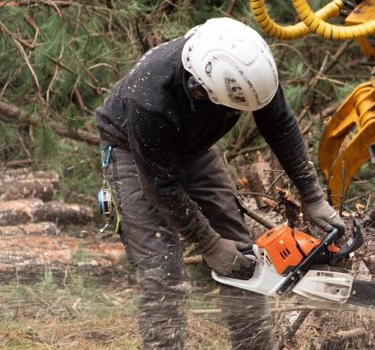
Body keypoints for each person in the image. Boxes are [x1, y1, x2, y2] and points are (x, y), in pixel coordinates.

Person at [93, 17, 344, 349]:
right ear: (200, 88)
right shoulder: (150, 96)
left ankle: (253, 345)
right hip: (131, 149)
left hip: (194, 147)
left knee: (243, 257)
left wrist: (312, 196)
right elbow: (160, 186)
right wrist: (209, 244)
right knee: (162, 271)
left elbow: (281, 126)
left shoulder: (248, 69)